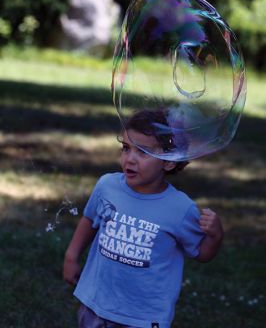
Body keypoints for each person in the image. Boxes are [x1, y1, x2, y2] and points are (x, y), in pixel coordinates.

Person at [63, 109, 224, 328]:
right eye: (126, 148)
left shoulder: (181, 208)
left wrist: (215, 235)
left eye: (142, 152)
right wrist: (72, 256)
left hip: (142, 317)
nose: (129, 159)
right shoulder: (107, 186)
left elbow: (202, 254)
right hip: (95, 303)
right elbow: (90, 220)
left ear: (169, 161)